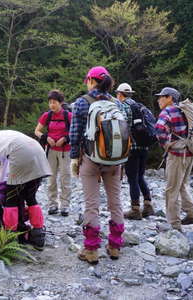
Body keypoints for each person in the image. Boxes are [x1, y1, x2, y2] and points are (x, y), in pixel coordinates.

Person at [69, 66, 128, 264]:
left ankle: (91, 250)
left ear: (91, 81)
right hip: (114, 160)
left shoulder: (81, 103)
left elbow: (75, 134)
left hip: (91, 160)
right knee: (115, 203)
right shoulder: (116, 103)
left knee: (92, 205)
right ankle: (115, 246)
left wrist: (75, 158)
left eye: (87, 79)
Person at [0, 129, 52, 250]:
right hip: (38, 150)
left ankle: (10, 237)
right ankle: (38, 235)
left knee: (10, 200)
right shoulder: (1, 139)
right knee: (30, 197)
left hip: (21, 153)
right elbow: (3, 168)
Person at [154, 87, 193, 232]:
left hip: (177, 155)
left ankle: (174, 224)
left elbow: (159, 129)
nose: (158, 100)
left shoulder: (168, 111)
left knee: (171, 189)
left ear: (169, 98)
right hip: (190, 153)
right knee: (181, 184)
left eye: (161, 97)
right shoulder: (186, 111)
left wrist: (165, 145)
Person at [115, 83, 155, 220]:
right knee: (140, 176)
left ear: (120, 94)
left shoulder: (123, 106)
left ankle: (135, 209)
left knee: (132, 178)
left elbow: (122, 126)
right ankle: (148, 204)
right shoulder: (140, 106)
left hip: (131, 148)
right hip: (144, 147)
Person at [34, 89, 72, 216]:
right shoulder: (47, 115)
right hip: (50, 151)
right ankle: (52, 204)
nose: (52, 105)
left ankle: (65, 205)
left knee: (65, 178)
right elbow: (37, 131)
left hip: (65, 151)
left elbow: (75, 132)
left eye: (54, 102)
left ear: (60, 102)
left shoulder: (68, 116)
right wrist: (46, 137)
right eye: (50, 102)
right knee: (51, 178)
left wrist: (65, 139)